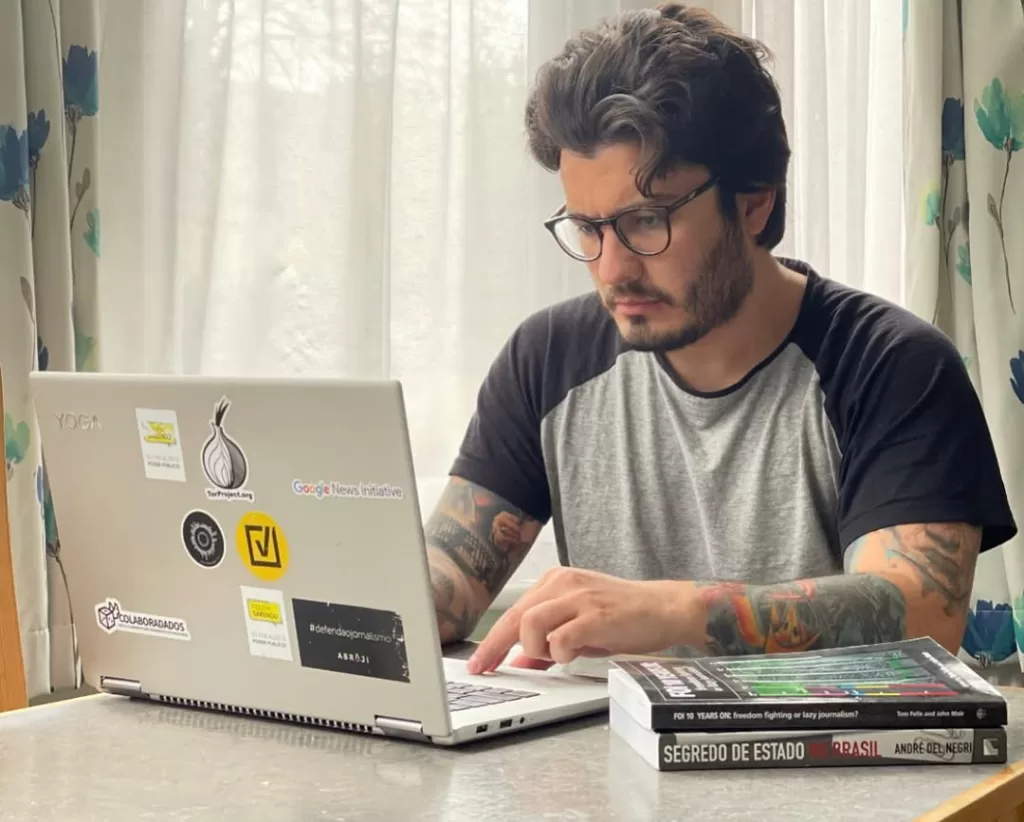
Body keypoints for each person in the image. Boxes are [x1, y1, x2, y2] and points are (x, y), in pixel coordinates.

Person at [423, 3, 1017, 675]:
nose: (612, 270)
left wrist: (674, 615)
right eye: (587, 228)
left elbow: (918, 618)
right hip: (600, 769)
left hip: (835, 771)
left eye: (646, 221)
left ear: (754, 200)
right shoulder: (547, 360)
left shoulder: (894, 366)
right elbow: (442, 592)